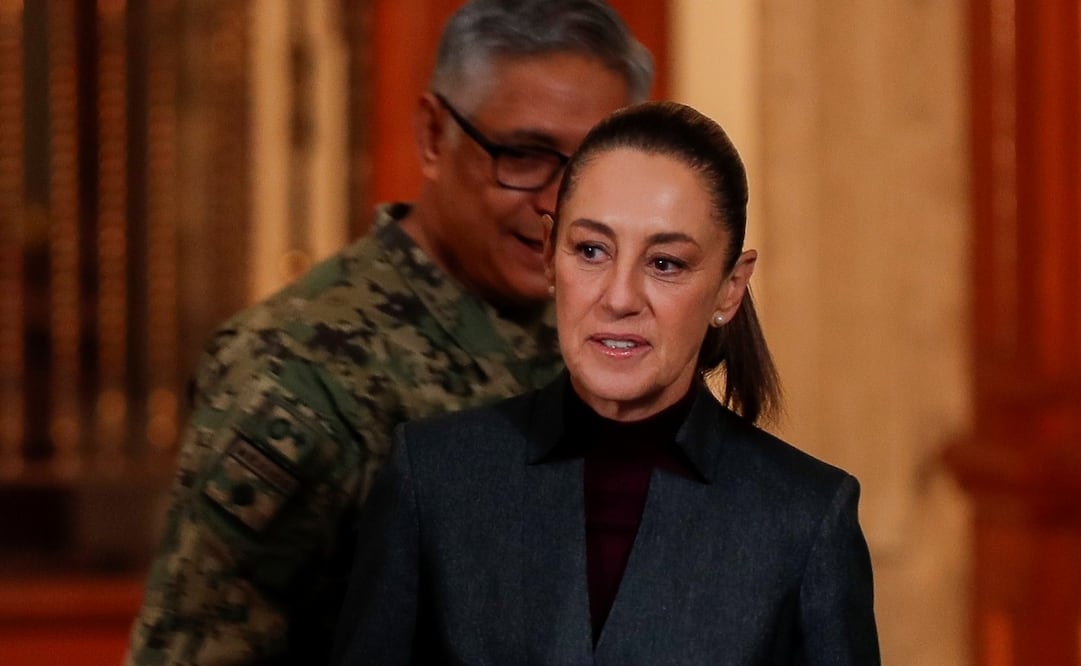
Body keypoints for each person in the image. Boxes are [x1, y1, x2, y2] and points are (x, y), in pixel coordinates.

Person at [124, 2, 653, 663]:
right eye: (522, 155)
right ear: (434, 136)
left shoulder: (605, 333)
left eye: (592, 166)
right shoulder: (298, 373)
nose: (556, 202)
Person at [331, 101, 880, 664]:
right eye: (591, 251)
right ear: (549, 256)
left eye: (665, 263)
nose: (619, 298)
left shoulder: (805, 518)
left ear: (729, 287)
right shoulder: (434, 477)